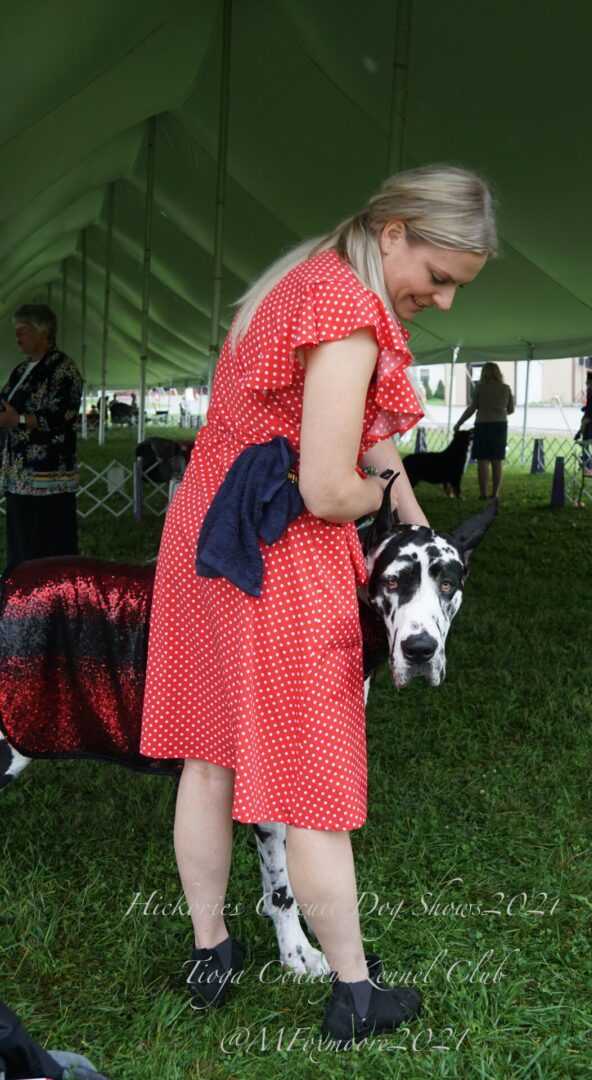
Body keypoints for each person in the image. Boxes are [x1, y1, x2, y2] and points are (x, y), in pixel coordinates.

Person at [138, 163, 497, 1041]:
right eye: (440, 279)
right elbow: (336, 486)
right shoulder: (346, 316)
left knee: (209, 759)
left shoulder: (302, 279)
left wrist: (417, 527)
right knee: (315, 785)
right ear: (393, 234)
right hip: (275, 555)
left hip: (204, 538)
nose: (443, 302)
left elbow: (373, 446)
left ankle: (212, 948)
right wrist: (374, 504)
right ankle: (354, 994)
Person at [0, 304, 83, 568]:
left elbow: (63, 414)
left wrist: (20, 420)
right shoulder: (20, 370)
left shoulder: (63, 369)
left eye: (23, 330)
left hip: (49, 478)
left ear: (44, 331)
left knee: (49, 543)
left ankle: (53, 602)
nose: (17, 336)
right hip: (19, 474)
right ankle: (21, 598)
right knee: (21, 541)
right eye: (16, 331)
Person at [453, 361, 514, 497]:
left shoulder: (479, 388)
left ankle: (483, 494)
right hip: (500, 425)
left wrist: (459, 423)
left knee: (483, 460)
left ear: (483, 373)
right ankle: (495, 493)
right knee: (497, 460)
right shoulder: (506, 388)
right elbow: (511, 409)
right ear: (498, 373)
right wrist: (499, 412)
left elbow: (472, 408)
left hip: (483, 424)